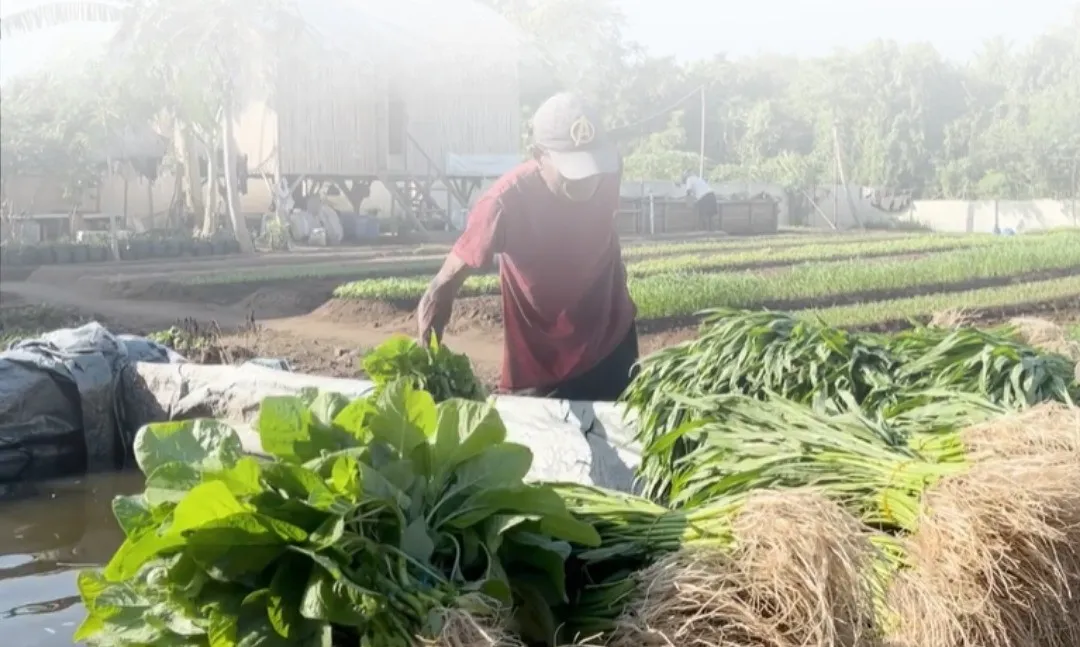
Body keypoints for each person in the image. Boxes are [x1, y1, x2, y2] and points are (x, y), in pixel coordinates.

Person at [416, 92, 638, 402]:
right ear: (538, 155)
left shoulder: (609, 171)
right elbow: (443, 285)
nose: (588, 179)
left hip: (611, 347)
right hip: (541, 366)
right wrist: (427, 364)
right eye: (573, 170)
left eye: (593, 165)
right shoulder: (503, 204)